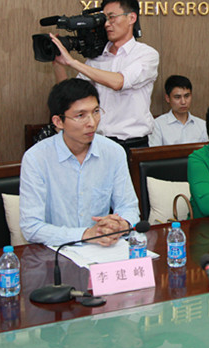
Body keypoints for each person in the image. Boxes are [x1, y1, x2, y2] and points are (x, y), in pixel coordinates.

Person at [19, 79, 140, 246]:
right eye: (80, 116)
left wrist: (121, 224)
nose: (92, 123)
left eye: (96, 112)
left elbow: (129, 207)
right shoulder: (36, 158)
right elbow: (31, 227)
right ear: (58, 122)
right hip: (56, 252)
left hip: (103, 249)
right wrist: (86, 234)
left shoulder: (113, 152)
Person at [50, 0, 159, 154]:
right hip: (96, 143)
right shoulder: (96, 59)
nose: (107, 24)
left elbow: (119, 82)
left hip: (132, 145)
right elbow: (71, 96)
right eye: (104, 19)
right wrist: (59, 64)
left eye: (112, 17)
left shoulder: (146, 55)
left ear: (131, 18)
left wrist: (73, 62)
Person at [149, 75, 208, 147]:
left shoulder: (203, 125)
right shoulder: (157, 125)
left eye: (187, 96)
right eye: (177, 97)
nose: (183, 102)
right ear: (167, 98)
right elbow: (154, 152)